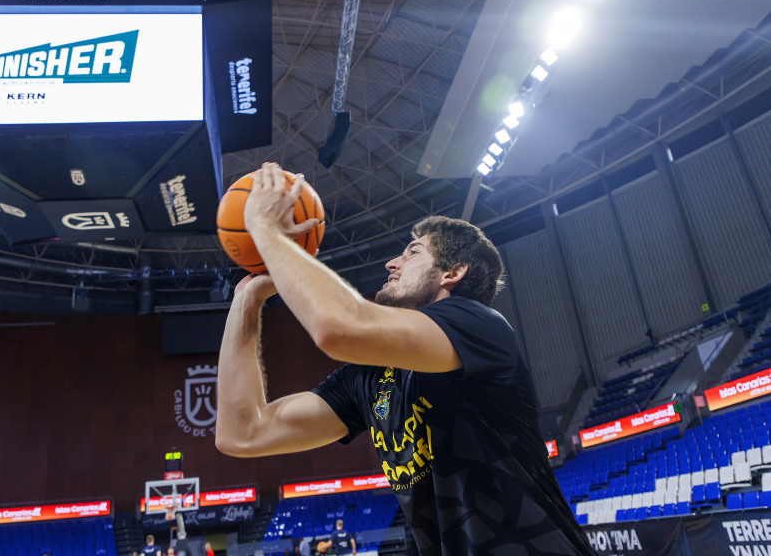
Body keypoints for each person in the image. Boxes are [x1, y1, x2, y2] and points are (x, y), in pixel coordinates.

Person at [215, 163, 595, 555]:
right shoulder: (369, 377)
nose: (391, 264)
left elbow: (338, 328)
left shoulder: (480, 327)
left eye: (412, 253)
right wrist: (247, 301)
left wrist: (266, 229)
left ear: (453, 272)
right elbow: (242, 434)